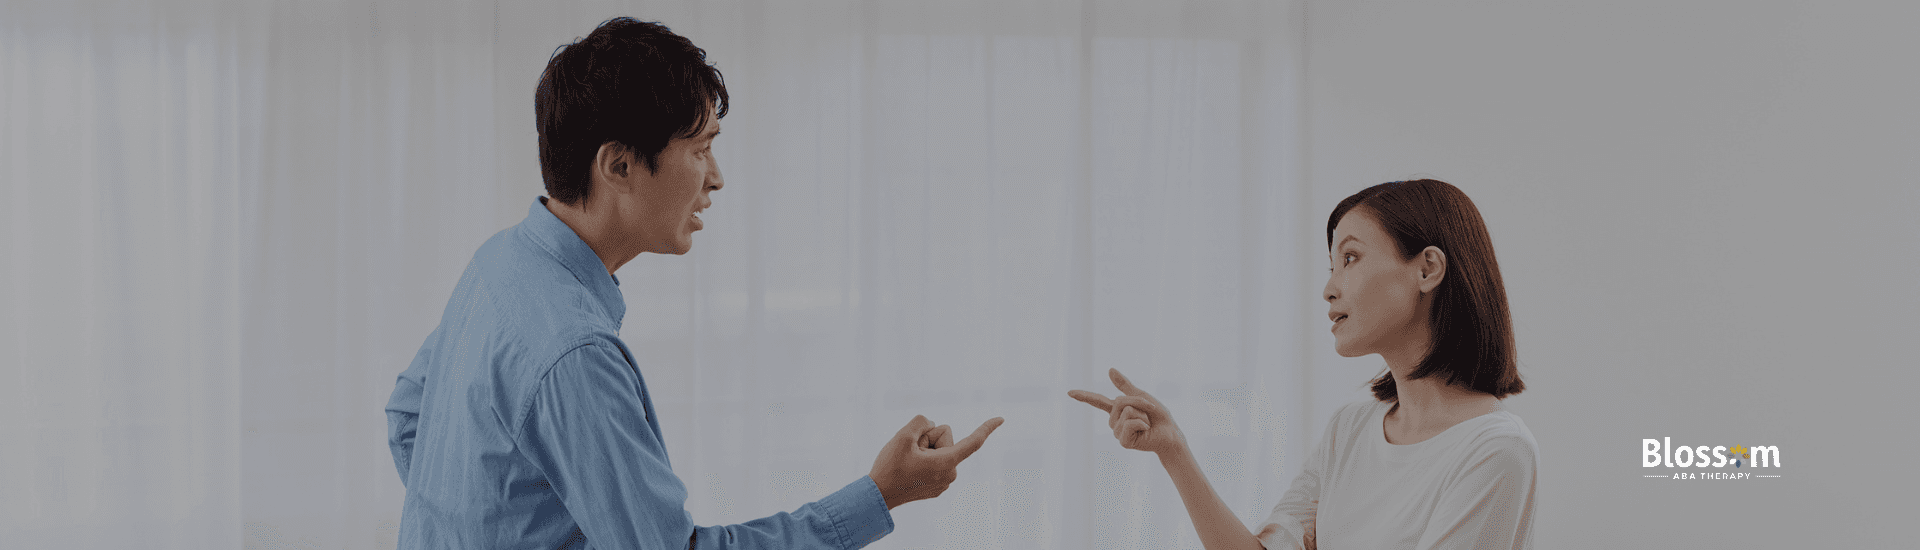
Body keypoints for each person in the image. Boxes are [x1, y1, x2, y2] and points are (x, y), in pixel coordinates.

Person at [384, 17, 1002, 549]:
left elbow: (408, 419)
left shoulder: (501, 261)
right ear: (619, 165)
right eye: (700, 149)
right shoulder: (575, 354)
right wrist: (881, 495)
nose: (716, 178)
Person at [1069, 179, 1537, 549]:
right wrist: (1174, 451)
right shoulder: (1350, 429)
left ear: (1427, 269)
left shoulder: (1496, 449)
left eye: (1350, 258)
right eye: (1332, 266)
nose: (1330, 289)